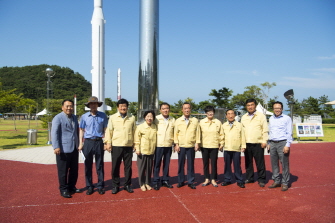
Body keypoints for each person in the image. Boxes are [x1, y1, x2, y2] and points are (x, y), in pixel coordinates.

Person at [104, 98, 136, 194]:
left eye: (125, 106)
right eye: (121, 106)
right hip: (116, 145)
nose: (123, 108)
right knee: (115, 167)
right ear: (118, 107)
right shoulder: (113, 117)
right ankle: (115, 185)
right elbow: (109, 131)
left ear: (127, 107)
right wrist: (108, 142)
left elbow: (135, 131)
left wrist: (135, 144)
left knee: (128, 167)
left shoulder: (132, 117)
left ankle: (127, 185)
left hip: (128, 145)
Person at [79, 96, 108, 195]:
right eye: (91, 104)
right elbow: (81, 130)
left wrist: (106, 142)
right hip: (88, 142)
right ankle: (89, 186)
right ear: (89, 105)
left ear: (97, 105)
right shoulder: (84, 116)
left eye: (95, 104)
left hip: (99, 141)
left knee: (99, 165)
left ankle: (100, 185)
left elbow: (105, 129)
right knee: (88, 165)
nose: (93, 106)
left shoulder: (103, 116)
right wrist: (80, 143)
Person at [51, 99, 81, 198]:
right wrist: (56, 146)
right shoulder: (58, 118)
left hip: (74, 148)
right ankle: (63, 189)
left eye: (71, 106)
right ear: (62, 107)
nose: (69, 108)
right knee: (63, 171)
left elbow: (76, 132)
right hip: (63, 149)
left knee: (74, 170)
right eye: (67, 106)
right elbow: (54, 133)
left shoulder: (74, 117)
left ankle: (71, 186)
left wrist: (79, 144)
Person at [241, 99, 269, 187]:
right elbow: (241, 131)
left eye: (252, 105)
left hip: (258, 143)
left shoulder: (261, 116)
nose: (250, 107)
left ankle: (261, 179)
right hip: (247, 143)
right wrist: (242, 144)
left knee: (260, 162)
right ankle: (250, 178)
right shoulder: (244, 117)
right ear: (246, 106)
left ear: (255, 106)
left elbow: (265, 129)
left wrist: (264, 141)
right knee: (248, 162)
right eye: (248, 105)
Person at [267, 101, 292, 191]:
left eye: (279, 108)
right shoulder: (271, 118)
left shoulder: (287, 118)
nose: (277, 110)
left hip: (283, 143)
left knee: (284, 164)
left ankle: (285, 183)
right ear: (273, 109)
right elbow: (270, 131)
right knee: (274, 164)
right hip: (273, 143)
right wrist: (269, 143)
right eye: (275, 108)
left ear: (282, 109)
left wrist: (287, 145)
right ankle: (276, 181)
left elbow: (289, 132)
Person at [174, 102, 199, 189]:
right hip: (181, 145)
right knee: (181, 164)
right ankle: (181, 181)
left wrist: (197, 143)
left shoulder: (195, 120)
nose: (187, 110)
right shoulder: (178, 121)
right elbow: (175, 133)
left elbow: (197, 133)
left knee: (191, 164)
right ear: (182, 110)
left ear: (190, 109)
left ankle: (190, 181)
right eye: (185, 108)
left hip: (191, 145)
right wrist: (176, 144)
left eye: (188, 108)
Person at [197, 105, 223, 187]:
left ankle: (213, 179)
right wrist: (198, 143)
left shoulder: (218, 122)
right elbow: (198, 134)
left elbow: (221, 134)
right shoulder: (201, 122)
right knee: (205, 163)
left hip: (214, 145)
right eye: (208, 112)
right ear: (205, 113)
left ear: (214, 112)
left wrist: (221, 143)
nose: (210, 113)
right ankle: (206, 178)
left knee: (214, 163)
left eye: (211, 112)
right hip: (204, 146)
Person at [221, 109, 246, 188]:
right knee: (227, 165)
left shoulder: (239, 125)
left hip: (236, 148)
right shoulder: (224, 125)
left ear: (235, 115)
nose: (230, 115)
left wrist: (243, 146)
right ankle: (227, 179)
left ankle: (239, 180)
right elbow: (221, 136)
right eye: (228, 114)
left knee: (237, 165)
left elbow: (243, 136)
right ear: (226, 116)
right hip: (227, 148)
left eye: (232, 114)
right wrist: (221, 145)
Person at [153, 103, 175, 190]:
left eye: (167, 108)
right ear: (160, 110)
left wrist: (174, 143)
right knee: (157, 164)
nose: (165, 110)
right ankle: (155, 181)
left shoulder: (172, 119)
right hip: (159, 144)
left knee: (166, 164)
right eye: (163, 108)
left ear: (169, 109)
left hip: (168, 145)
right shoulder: (156, 119)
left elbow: (175, 132)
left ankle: (165, 180)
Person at [134, 110, 157, 191]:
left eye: (151, 116)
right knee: (141, 168)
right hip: (142, 151)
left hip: (151, 151)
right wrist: (137, 149)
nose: (149, 118)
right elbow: (137, 139)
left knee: (149, 168)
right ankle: (141, 183)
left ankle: (147, 183)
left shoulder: (155, 127)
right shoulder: (140, 127)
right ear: (144, 117)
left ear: (153, 118)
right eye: (147, 116)